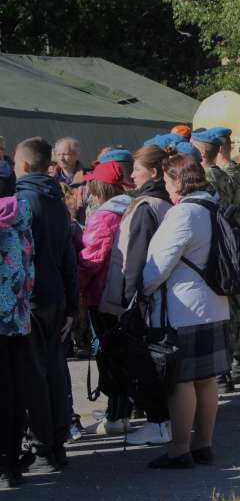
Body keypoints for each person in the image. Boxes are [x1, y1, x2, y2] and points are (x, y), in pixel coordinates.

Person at [142, 154, 231, 468]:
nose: (165, 187)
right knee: (206, 380)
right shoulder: (214, 208)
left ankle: (179, 450)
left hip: (184, 309)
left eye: (167, 180)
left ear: (179, 180)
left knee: (180, 381)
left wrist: (142, 290)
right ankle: (203, 444)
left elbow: (158, 265)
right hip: (215, 305)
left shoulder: (184, 214)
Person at [99, 144, 174, 444]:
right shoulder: (164, 202)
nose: (133, 175)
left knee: (142, 362)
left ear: (153, 172)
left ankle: (157, 422)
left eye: (138, 170)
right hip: (156, 298)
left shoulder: (146, 206)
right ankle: (160, 420)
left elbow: (136, 258)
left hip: (139, 300)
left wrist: (128, 301)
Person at [14, 137, 79, 472]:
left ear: (24, 165)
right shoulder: (57, 198)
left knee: (34, 375)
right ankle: (56, 443)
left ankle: (42, 446)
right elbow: (69, 254)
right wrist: (72, 304)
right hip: (55, 296)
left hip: (32, 298)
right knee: (54, 370)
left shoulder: (23, 200)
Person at [190, 130, 240, 390]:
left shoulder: (208, 176)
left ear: (201, 153)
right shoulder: (230, 174)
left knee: (220, 307)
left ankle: (223, 370)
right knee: (236, 304)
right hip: (233, 244)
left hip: (217, 246)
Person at [76, 162, 133, 435]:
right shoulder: (131, 208)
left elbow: (92, 259)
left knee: (108, 356)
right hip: (124, 292)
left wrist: (74, 284)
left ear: (98, 187)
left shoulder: (105, 215)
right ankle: (123, 411)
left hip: (101, 294)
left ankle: (115, 415)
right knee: (122, 354)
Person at [0, 195, 34, 488]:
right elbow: (29, 270)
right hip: (17, 321)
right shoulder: (21, 222)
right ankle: (11, 464)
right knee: (14, 393)